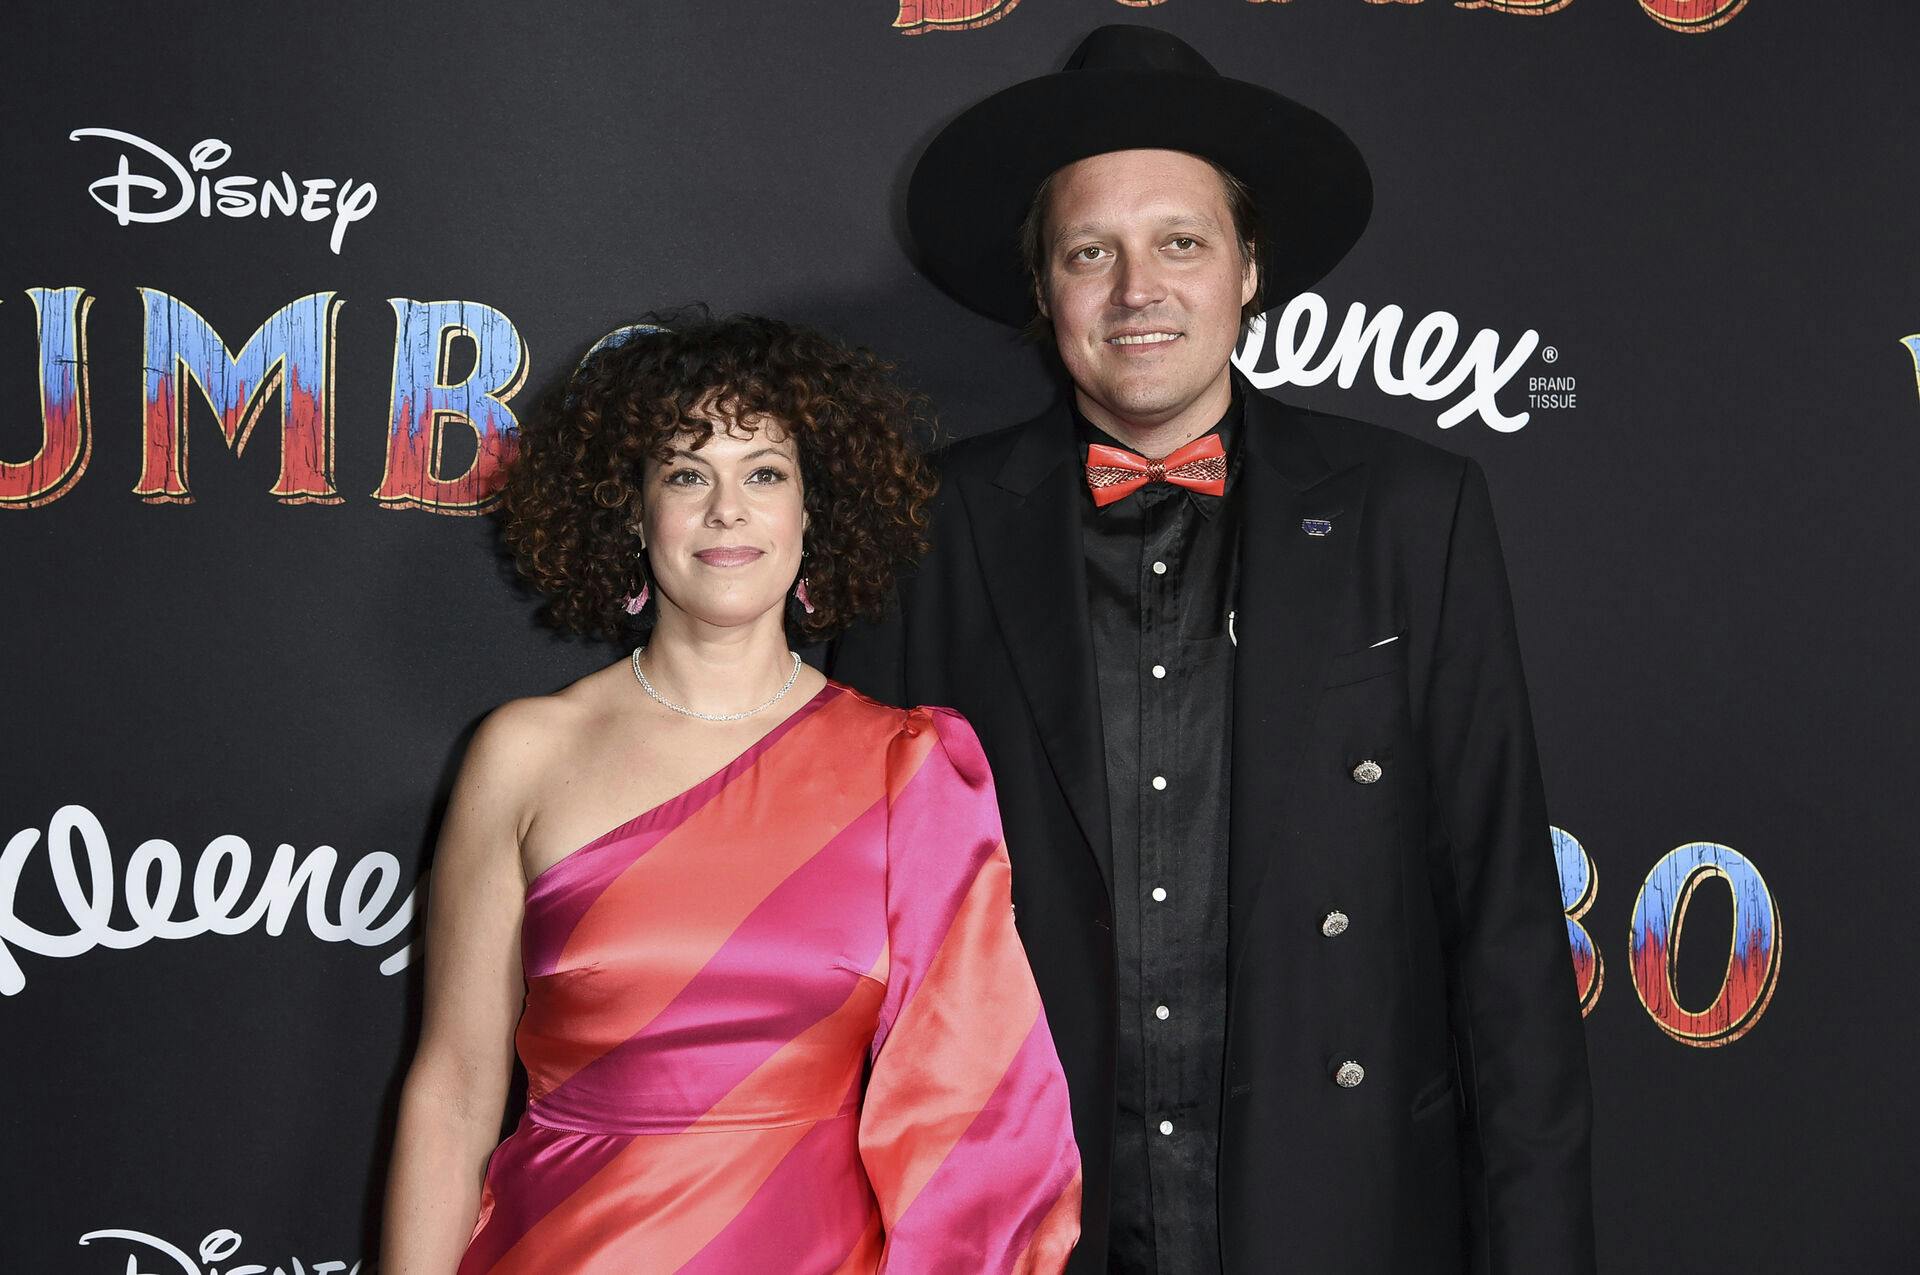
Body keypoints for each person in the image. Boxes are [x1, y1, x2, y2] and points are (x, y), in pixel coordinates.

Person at [830, 25, 1596, 1275]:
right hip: (1023, 1224)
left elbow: (1506, 930)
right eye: (1093, 252)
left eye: (1181, 241)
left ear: (1248, 269)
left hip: (1346, 1216)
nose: (1139, 291)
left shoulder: (1415, 512)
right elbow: (852, 937)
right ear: (1045, 291)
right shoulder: (927, 530)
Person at [380, 311, 1082, 1275]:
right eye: (684, 473)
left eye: (764, 473)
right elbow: (454, 1088)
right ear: (633, 512)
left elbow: (976, 1119)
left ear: (812, 510)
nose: (727, 510)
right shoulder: (523, 754)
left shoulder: (909, 767)